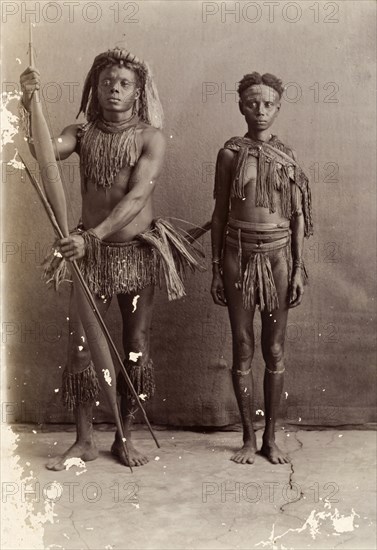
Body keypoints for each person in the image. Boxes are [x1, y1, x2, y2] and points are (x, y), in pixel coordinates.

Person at [20, 47, 202, 470]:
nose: (114, 90)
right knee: (80, 348)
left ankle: (125, 436)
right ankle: (84, 440)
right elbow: (43, 151)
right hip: (90, 257)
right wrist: (28, 101)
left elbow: (138, 197)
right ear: (95, 87)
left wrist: (92, 236)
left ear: (138, 92)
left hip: (136, 255)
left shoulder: (149, 138)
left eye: (123, 84)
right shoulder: (81, 134)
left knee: (135, 347)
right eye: (106, 83)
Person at [210, 72, 313, 465]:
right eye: (253, 102)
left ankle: (272, 437)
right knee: (242, 346)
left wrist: (299, 267)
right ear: (240, 105)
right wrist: (217, 268)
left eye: (269, 103)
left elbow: (298, 218)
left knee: (273, 347)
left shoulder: (287, 158)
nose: (261, 110)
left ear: (279, 107)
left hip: (278, 257)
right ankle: (248, 437)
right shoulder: (230, 154)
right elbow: (220, 214)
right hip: (238, 254)